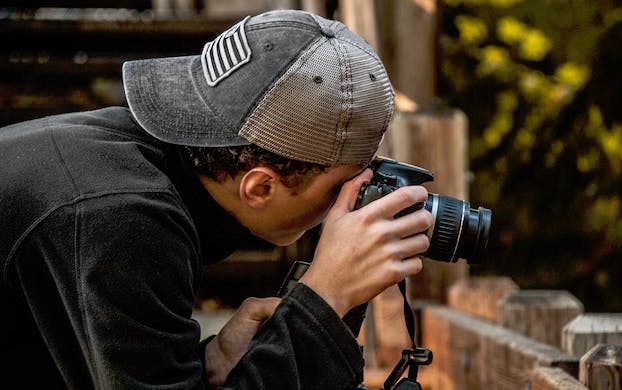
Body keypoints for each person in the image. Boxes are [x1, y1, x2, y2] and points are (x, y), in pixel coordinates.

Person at [0, 9, 432, 389]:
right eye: (341, 186)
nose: (349, 203)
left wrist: (211, 360)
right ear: (260, 187)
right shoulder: (119, 219)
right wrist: (324, 298)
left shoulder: (123, 162)